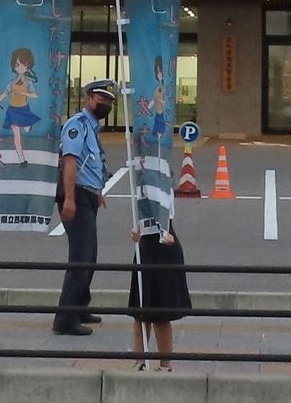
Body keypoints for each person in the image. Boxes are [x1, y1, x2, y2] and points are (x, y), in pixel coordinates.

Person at [53, 80, 113, 336]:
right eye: (101, 98)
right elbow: (70, 162)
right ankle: (65, 320)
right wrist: (69, 199)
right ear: (88, 98)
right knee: (80, 258)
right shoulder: (77, 125)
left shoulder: (92, 127)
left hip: (88, 194)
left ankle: (79, 306)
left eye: (109, 101)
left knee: (90, 256)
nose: (105, 104)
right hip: (75, 194)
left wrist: (97, 191)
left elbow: (92, 162)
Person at [126, 213, 191, 370]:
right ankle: (139, 363)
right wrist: (138, 227)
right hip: (145, 247)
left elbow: (163, 211)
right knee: (140, 312)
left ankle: (165, 366)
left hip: (163, 247)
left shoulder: (161, 190)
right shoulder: (142, 190)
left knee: (161, 314)